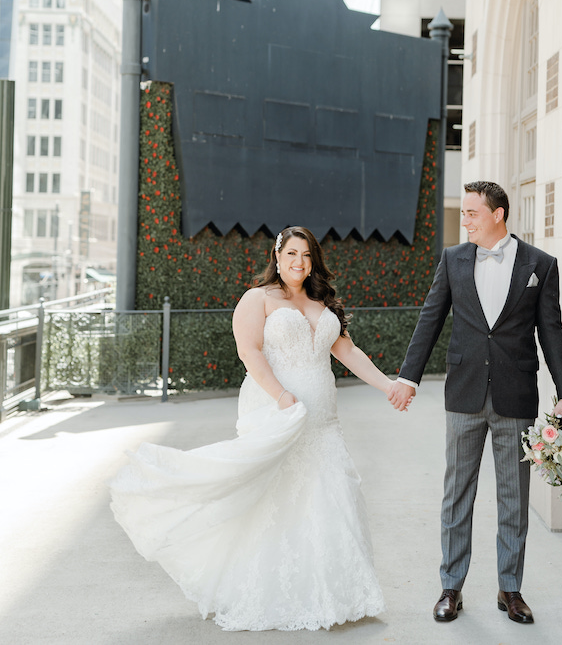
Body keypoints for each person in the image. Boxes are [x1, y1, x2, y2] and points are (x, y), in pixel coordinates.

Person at [109, 225, 392, 631]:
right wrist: (280, 395)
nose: (299, 262)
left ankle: (336, 594)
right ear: (277, 258)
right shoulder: (257, 298)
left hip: (324, 420)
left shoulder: (321, 301)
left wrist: (388, 386)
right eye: (292, 254)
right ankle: (271, 590)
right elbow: (249, 350)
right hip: (280, 410)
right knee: (275, 497)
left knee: (332, 493)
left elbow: (348, 351)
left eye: (307, 255)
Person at [387, 181, 562, 625]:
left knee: (514, 498)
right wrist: (408, 377)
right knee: (457, 495)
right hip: (464, 393)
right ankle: (451, 587)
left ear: (498, 214)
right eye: (464, 213)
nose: (464, 220)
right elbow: (430, 317)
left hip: (516, 396)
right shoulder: (453, 259)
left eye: (472, 212)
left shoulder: (540, 265)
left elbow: (552, 331)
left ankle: (510, 589)